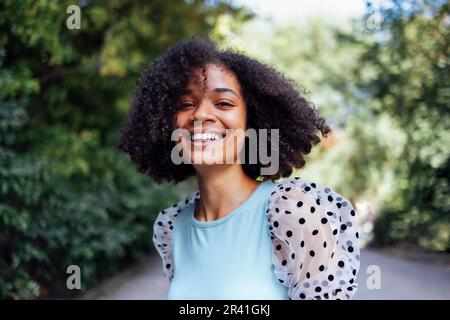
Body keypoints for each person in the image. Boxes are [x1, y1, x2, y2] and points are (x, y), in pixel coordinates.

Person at [118, 34, 360, 300]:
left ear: (251, 123)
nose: (200, 114)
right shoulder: (172, 227)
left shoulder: (293, 210)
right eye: (187, 104)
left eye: (223, 103)